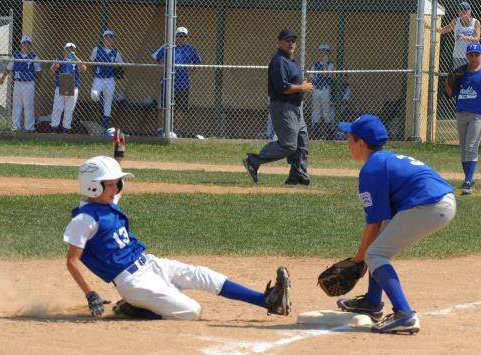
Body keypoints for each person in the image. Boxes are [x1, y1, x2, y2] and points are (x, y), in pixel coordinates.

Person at [63, 155, 292, 320]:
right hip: (132, 282)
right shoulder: (84, 220)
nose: (116, 188)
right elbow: (72, 261)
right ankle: (137, 308)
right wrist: (90, 293)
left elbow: (116, 192)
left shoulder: (107, 203)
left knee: (203, 275)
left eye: (117, 183)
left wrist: (118, 158)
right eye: (111, 185)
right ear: (93, 188)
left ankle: (267, 301)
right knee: (192, 311)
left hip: (150, 263)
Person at [334, 114, 456, 334]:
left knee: (375, 254)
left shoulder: (371, 170)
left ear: (361, 143)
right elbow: (381, 224)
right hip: (437, 201)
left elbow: (373, 222)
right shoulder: (384, 160)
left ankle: (404, 314)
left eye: (349, 139)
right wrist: (362, 258)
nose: (347, 143)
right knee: (378, 248)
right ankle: (372, 302)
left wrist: (359, 260)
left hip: (430, 204)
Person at [243, 28, 314, 186]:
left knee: (302, 144)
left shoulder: (290, 61)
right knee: (288, 144)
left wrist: (302, 85)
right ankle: (253, 160)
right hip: (283, 107)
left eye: (293, 41)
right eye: (288, 40)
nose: (291, 43)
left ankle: (297, 176)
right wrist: (302, 88)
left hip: (296, 109)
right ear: (279, 42)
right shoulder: (279, 61)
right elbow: (282, 87)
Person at [445, 43, 481, 195]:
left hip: (477, 115)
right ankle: (468, 179)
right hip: (461, 113)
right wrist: (448, 81)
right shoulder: (461, 73)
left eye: (477, 55)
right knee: (463, 148)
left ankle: (468, 180)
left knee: (471, 147)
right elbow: (450, 94)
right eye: (471, 55)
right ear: (467, 56)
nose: (474, 58)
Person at [151, 26, 201, 137]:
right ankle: (160, 130)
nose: (181, 38)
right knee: (163, 106)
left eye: (184, 36)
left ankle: (177, 131)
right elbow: (155, 57)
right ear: (175, 36)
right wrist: (162, 69)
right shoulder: (168, 47)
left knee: (180, 108)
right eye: (179, 35)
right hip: (167, 82)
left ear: (186, 37)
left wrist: (192, 71)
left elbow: (197, 62)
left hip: (183, 84)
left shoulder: (191, 49)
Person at [0, 35, 42, 133]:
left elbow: (39, 72)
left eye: (28, 44)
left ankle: (29, 128)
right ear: (21, 45)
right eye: (24, 44)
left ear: (31, 46)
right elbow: (8, 69)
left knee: (28, 106)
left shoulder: (34, 57)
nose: (26, 46)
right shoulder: (15, 56)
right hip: (18, 83)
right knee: (16, 106)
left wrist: (37, 85)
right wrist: (2, 78)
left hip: (29, 83)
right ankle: (15, 127)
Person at [425, 2, 481, 69]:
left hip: (473, 55)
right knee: (459, 77)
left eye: (466, 9)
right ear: (459, 11)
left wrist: (464, 37)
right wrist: (428, 26)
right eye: (461, 10)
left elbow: (477, 38)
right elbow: (442, 30)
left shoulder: (475, 22)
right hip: (459, 56)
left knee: (473, 77)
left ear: (470, 11)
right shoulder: (455, 21)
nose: (463, 12)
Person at [90, 29, 124, 132]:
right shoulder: (96, 49)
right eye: (107, 37)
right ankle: (99, 101)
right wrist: (95, 71)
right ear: (103, 38)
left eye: (111, 37)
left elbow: (121, 65)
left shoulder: (116, 52)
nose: (109, 39)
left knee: (108, 103)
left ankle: (104, 127)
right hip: (98, 78)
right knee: (94, 95)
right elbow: (91, 62)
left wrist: (117, 68)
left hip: (110, 79)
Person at [49, 42, 86, 133]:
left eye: (72, 49)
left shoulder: (77, 61)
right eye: (68, 49)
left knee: (69, 109)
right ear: (64, 50)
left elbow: (84, 69)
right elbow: (51, 73)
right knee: (57, 108)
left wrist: (75, 58)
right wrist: (56, 67)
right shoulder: (59, 59)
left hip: (73, 85)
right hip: (62, 83)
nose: (70, 51)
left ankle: (66, 129)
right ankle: (54, 128)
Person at [311, 43, 335, 140]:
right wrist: (315, 80)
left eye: (325, 52)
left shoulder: (331, 65)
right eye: (322, 51)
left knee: (326, 111)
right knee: (316, 111)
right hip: (317, 89)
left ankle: (329, 133)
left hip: (325, 89)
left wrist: (325, 63)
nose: (323, 54)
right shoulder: (315, 64)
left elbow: (326, 74)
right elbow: (311, 76)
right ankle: (316, 133)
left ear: (328, 53)